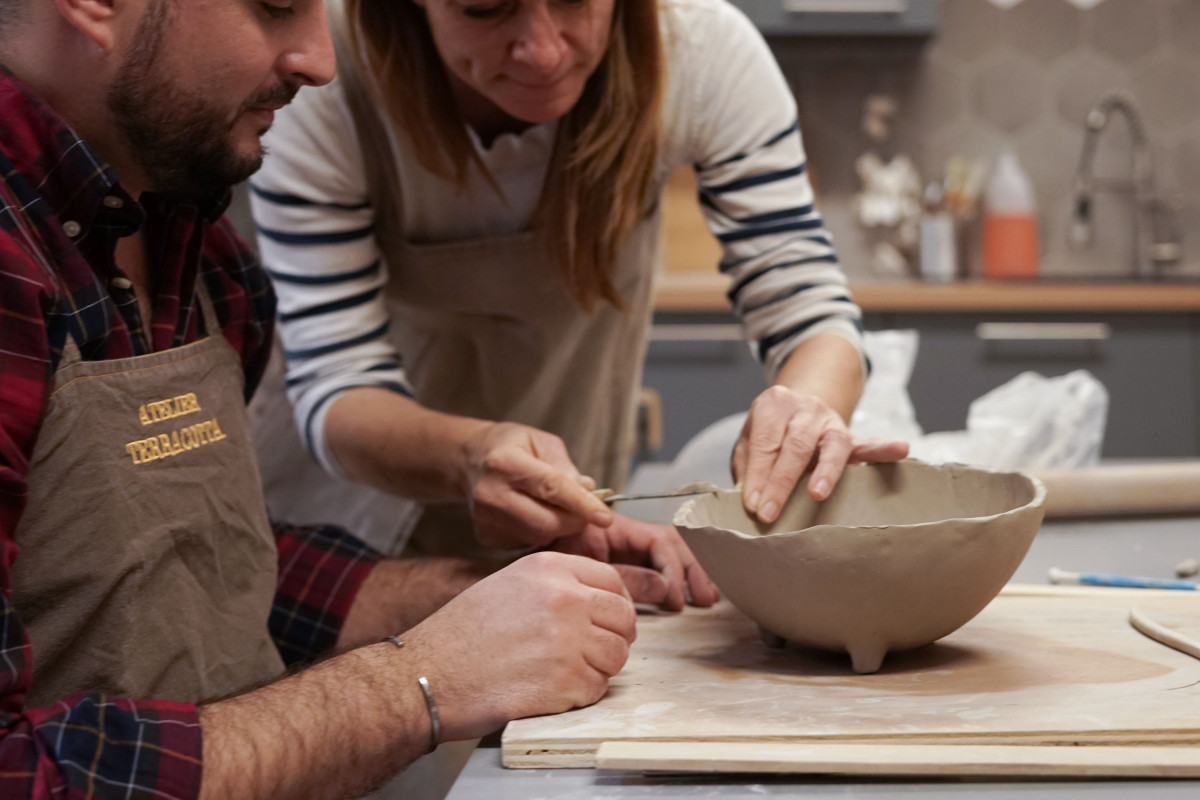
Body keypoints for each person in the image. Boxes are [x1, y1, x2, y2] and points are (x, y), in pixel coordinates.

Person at [0, 0, 683, 796]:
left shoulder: (200, 250)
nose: (320, 61)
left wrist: (487, 599)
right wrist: (419, 682)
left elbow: (195, 571)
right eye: (278, 7)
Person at [247, 0, 909, 563]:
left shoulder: (703, 52)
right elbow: (337, 383)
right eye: (483, 7)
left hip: (562, 521)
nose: (541, 50)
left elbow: (805, 302)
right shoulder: (325, 79)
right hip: (334, 533)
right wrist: (473, 455)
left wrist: (806, 406)